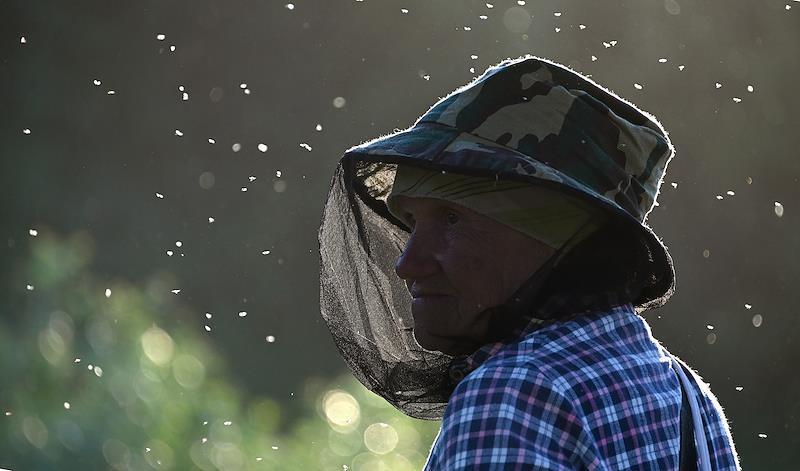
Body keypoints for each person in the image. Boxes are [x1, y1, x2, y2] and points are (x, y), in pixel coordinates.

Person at [318, 55, 740, 469]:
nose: (408, 264)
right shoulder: (685, 394)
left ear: (552, 235)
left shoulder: (514, 395)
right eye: (412, 221)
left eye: (450, 219)